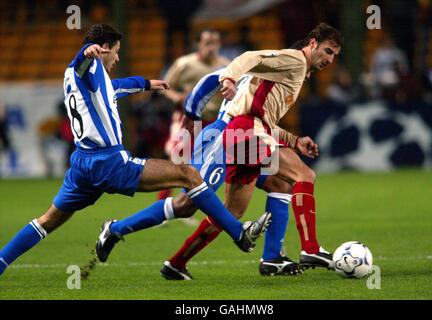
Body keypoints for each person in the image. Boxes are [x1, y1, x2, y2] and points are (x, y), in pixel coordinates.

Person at [0, 24, 271, 277]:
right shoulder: (88, 66)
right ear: (104, 47)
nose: (117, 59)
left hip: (81, 164)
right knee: (188, 175)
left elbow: (115, 88)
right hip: (109, 161)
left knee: (47, 221)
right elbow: (82, 62)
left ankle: (1, 262)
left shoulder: (78, 78)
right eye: (115, 52)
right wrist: (87, 52)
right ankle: (238, 233)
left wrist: (145, 83)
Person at [96, 69, 301, 279]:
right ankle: (116, 229)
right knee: (186, 204)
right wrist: (192, 113)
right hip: (223, 136)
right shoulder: (264, 66)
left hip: (249, 139)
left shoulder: (279, 77)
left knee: (280, 184)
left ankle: (272, 258)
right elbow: (209, 80)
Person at [216, 22, 342, 271]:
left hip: (242, 131)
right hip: (241, 130)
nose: (330, 59)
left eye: (335, 56)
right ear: (313, 43)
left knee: (232, 211)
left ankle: (177, 262)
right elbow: (251, 56)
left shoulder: (291, 75)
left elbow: (265, 119)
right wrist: (228, 77)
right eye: (328, 51)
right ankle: (310, 249)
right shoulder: (295, 60)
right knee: (304, 175)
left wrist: (295, 141)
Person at [158, 29, 230, 202]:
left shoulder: (227, 66)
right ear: (199, 44)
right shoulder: (184, 63)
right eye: (207, 43)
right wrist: (176, 97)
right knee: (176, 158)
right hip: (188, 119)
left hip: (214, 121)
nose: (211, 47)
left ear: (219, 44)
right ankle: (162, 202)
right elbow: (164, 86)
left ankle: (189, 201)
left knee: (208, 163)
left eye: (214, 43)